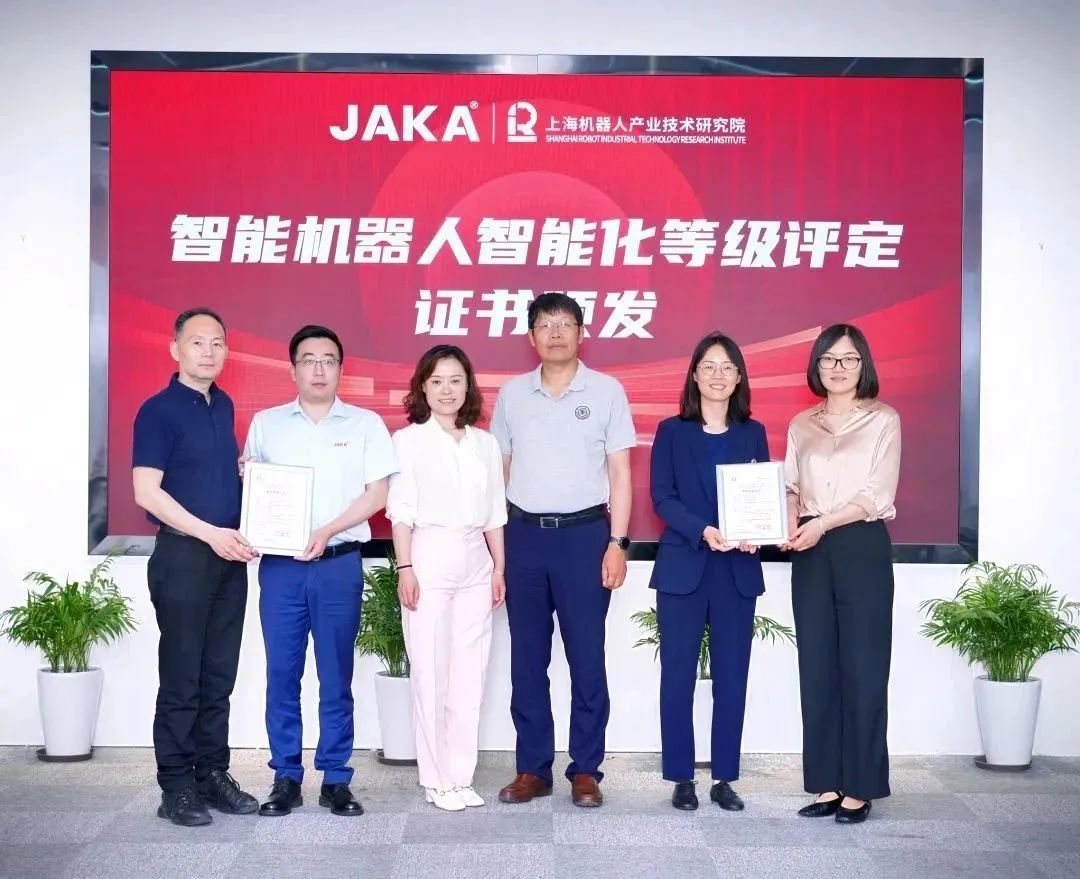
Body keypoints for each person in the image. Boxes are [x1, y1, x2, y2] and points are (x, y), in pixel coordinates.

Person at [242, 325, 397, 818]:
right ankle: (286, 776)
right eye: (308, 360)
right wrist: (250, 479)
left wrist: (328, 529)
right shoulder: (267, 424)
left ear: (340, 369)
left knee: (336, 676)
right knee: (281, 675)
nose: (318, 369)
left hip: (337, 566)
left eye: (328, 360)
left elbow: (378, 494)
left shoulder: (366, 425)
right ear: (293, 370)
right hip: (281, 569)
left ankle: (335, 778)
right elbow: (255, 493)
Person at [491, 292, 636, 808]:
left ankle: (586, 769)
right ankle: (532, 768)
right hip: (524, 536)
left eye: (565, 323)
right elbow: (499, 472)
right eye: (545, 324)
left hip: (585, 538)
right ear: (531, 336)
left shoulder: (607, 391)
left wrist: (618, 542)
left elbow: (620, 472)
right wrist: (496, 549)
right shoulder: (512, 394)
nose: (555, 332)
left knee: (587, 658)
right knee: (527, 660)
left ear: (581, 332)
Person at [132, 307, 259, 827]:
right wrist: (211, 534)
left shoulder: (222, 405)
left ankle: (211, 773)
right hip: (185, 556)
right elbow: (147, 492)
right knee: (182, 677)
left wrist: (243, 473)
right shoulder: (157, 410)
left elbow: (203, 474)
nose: (209, 352)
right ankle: (176, 786)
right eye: (198, 342)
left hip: (228, 560)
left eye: (218, 343)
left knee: (218, 675)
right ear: (175, 349)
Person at [783, 323, 901, 825]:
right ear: (817, 365)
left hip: (860, 544)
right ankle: (828, 782)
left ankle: (861, 787)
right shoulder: (801, 424)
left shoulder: (884, 420)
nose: (838, 367)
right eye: (829, 358)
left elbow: (878, 493)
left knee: (864, 666)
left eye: (849, 359)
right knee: (817, 667)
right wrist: (791, 519)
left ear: (863, 365)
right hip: (810, 551)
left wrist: (821, 524)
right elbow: (790, 485)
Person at [650, 332, 769, 811]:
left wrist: (755, 531)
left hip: (736, 569)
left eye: (727, 367)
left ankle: (724, 778)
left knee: (732, 677)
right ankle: (681, 777)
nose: (718, 375)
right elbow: (663, 498)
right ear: (694, 375)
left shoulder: (752, 432)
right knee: (677, 676)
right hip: (684, 565)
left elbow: (760, 495)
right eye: (709, 367)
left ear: (739, 377)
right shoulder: (671, 431)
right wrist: (702, 530)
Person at [386, 345, 507, 812]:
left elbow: (495, 513)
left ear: (468, 386)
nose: (446, 390)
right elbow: (401, 512)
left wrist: (499, 568)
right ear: (423, 387)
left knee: (469, 674)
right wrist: (405, 568)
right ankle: (436, 779)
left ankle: (461, 776)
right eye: (436, 381)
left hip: (477, 559)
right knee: (431, 672)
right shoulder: (408, 441)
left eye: (455, 380)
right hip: (429, 555)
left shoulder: (484, 444)